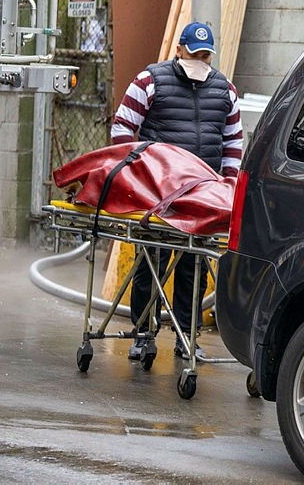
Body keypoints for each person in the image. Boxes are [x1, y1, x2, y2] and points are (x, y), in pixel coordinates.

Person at [110, 21, 243, 360]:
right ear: (179, 50)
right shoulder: (149, 81)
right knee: (151, 262)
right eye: (194, 52)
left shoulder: (224, 90)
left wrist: (226, 187)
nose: (199, 59)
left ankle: (187, 337)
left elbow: (233, 145)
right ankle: (143, 334)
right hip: (160, 194)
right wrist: (138, 177)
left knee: (193, 267)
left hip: (204, 195)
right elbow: (123, 129)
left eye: (205, 54)